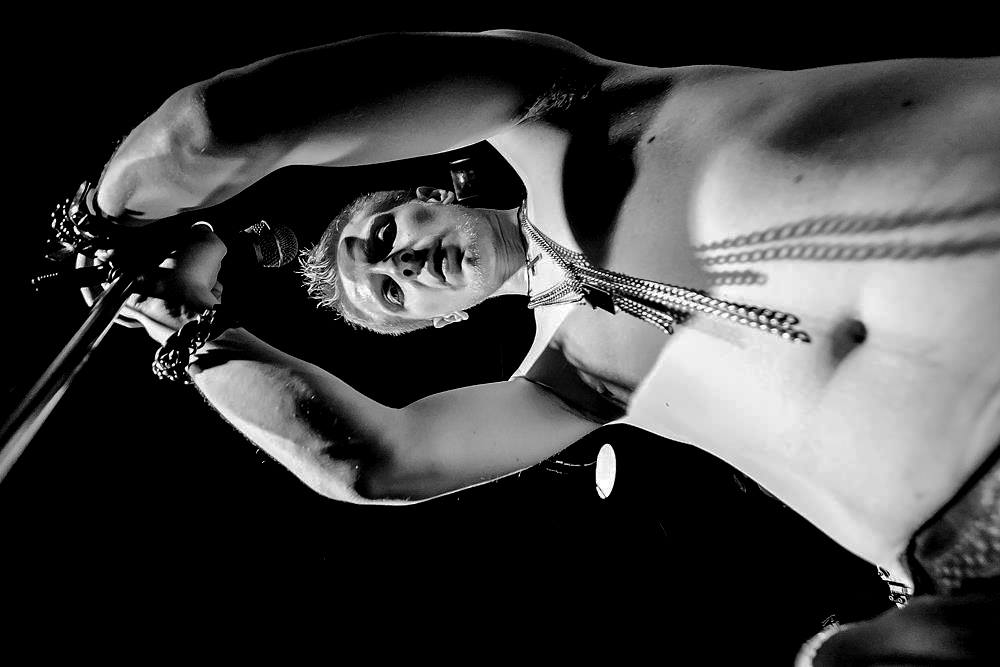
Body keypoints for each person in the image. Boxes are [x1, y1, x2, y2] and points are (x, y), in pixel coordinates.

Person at [75, 30, 996, 658]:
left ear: (426, 193)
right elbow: (370, 462)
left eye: (385, 233)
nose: (405, 263)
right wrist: (187, 323)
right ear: (437, 324)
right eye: (390, 292)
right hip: (972, 567)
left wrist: (103, 219)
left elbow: (216, 126)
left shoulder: (563, 111)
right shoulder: (566, 384)